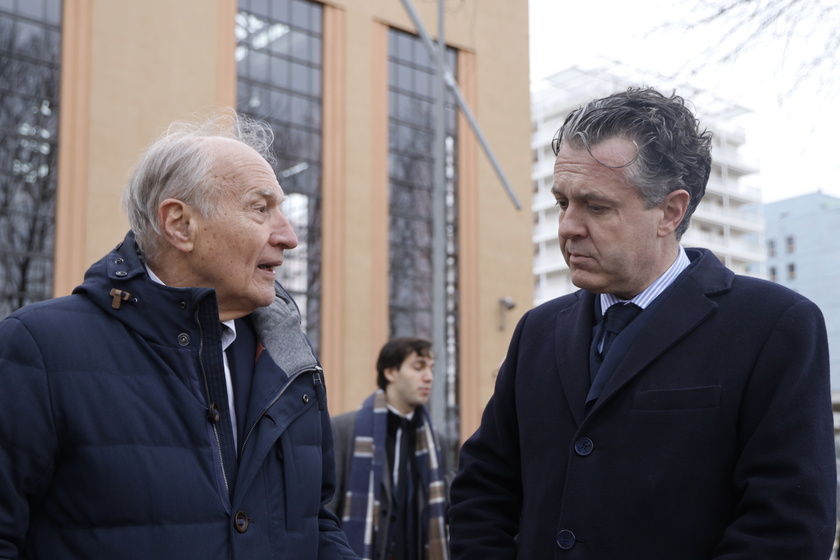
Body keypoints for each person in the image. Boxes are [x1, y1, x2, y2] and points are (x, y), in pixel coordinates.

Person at [448, 87, 836, 559]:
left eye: (595, 206)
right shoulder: (537, 331)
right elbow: (481, 491)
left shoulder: (774, 326)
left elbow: (786, 527)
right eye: (561, 203)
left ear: (670, 212)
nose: (568, 226)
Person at [0, 111, 358, 559]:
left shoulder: (289, 362)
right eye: (260, 208)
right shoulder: (37, 349)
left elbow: (313, 523)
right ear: (180, 224)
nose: (288, 236)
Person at [328, 337, 449, 560]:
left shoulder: (436, 443)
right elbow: (326, 511)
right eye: (419, 366)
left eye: (431, 368)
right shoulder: (344, 429)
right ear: (391, 373)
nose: (429, 377)